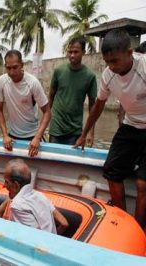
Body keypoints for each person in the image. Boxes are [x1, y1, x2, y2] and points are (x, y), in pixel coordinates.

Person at [73, 29, 146, 230]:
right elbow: (98, 106)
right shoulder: (108, 75)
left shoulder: (144, 67)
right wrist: (84, 133)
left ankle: (139, 231)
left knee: (142, 184)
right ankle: (123, 222)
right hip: (130, 126)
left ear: (130, 53)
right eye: (107, 62)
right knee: (111, 172)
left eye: (114, 61)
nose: (111, 67)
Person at [0, 50, 51, 157]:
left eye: (15, 67)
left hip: (32, 136)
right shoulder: (2, 81)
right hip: (12, 136)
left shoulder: (33, 83)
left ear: (22, 65)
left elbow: (47, 112)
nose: (11, 72)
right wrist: (4, 135)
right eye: (8, 68)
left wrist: (38, 137)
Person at [0, 159, 68, 234]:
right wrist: (53, 238)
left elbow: (32, 237)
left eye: (6, 181)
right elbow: (64, 223)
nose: (4, 185)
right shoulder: (40, 195)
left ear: (16, 185)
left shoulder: (17, 205)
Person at [49, 37, 97, 146]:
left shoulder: (90, 76)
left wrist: (91, 133)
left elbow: (92, 107)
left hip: (75, 130)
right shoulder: (59, 71)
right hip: (56, 128)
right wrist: (44, 124)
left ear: (83, 52)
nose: (72, 55)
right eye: (70, 52)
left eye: (76, 52)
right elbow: (51, 97)